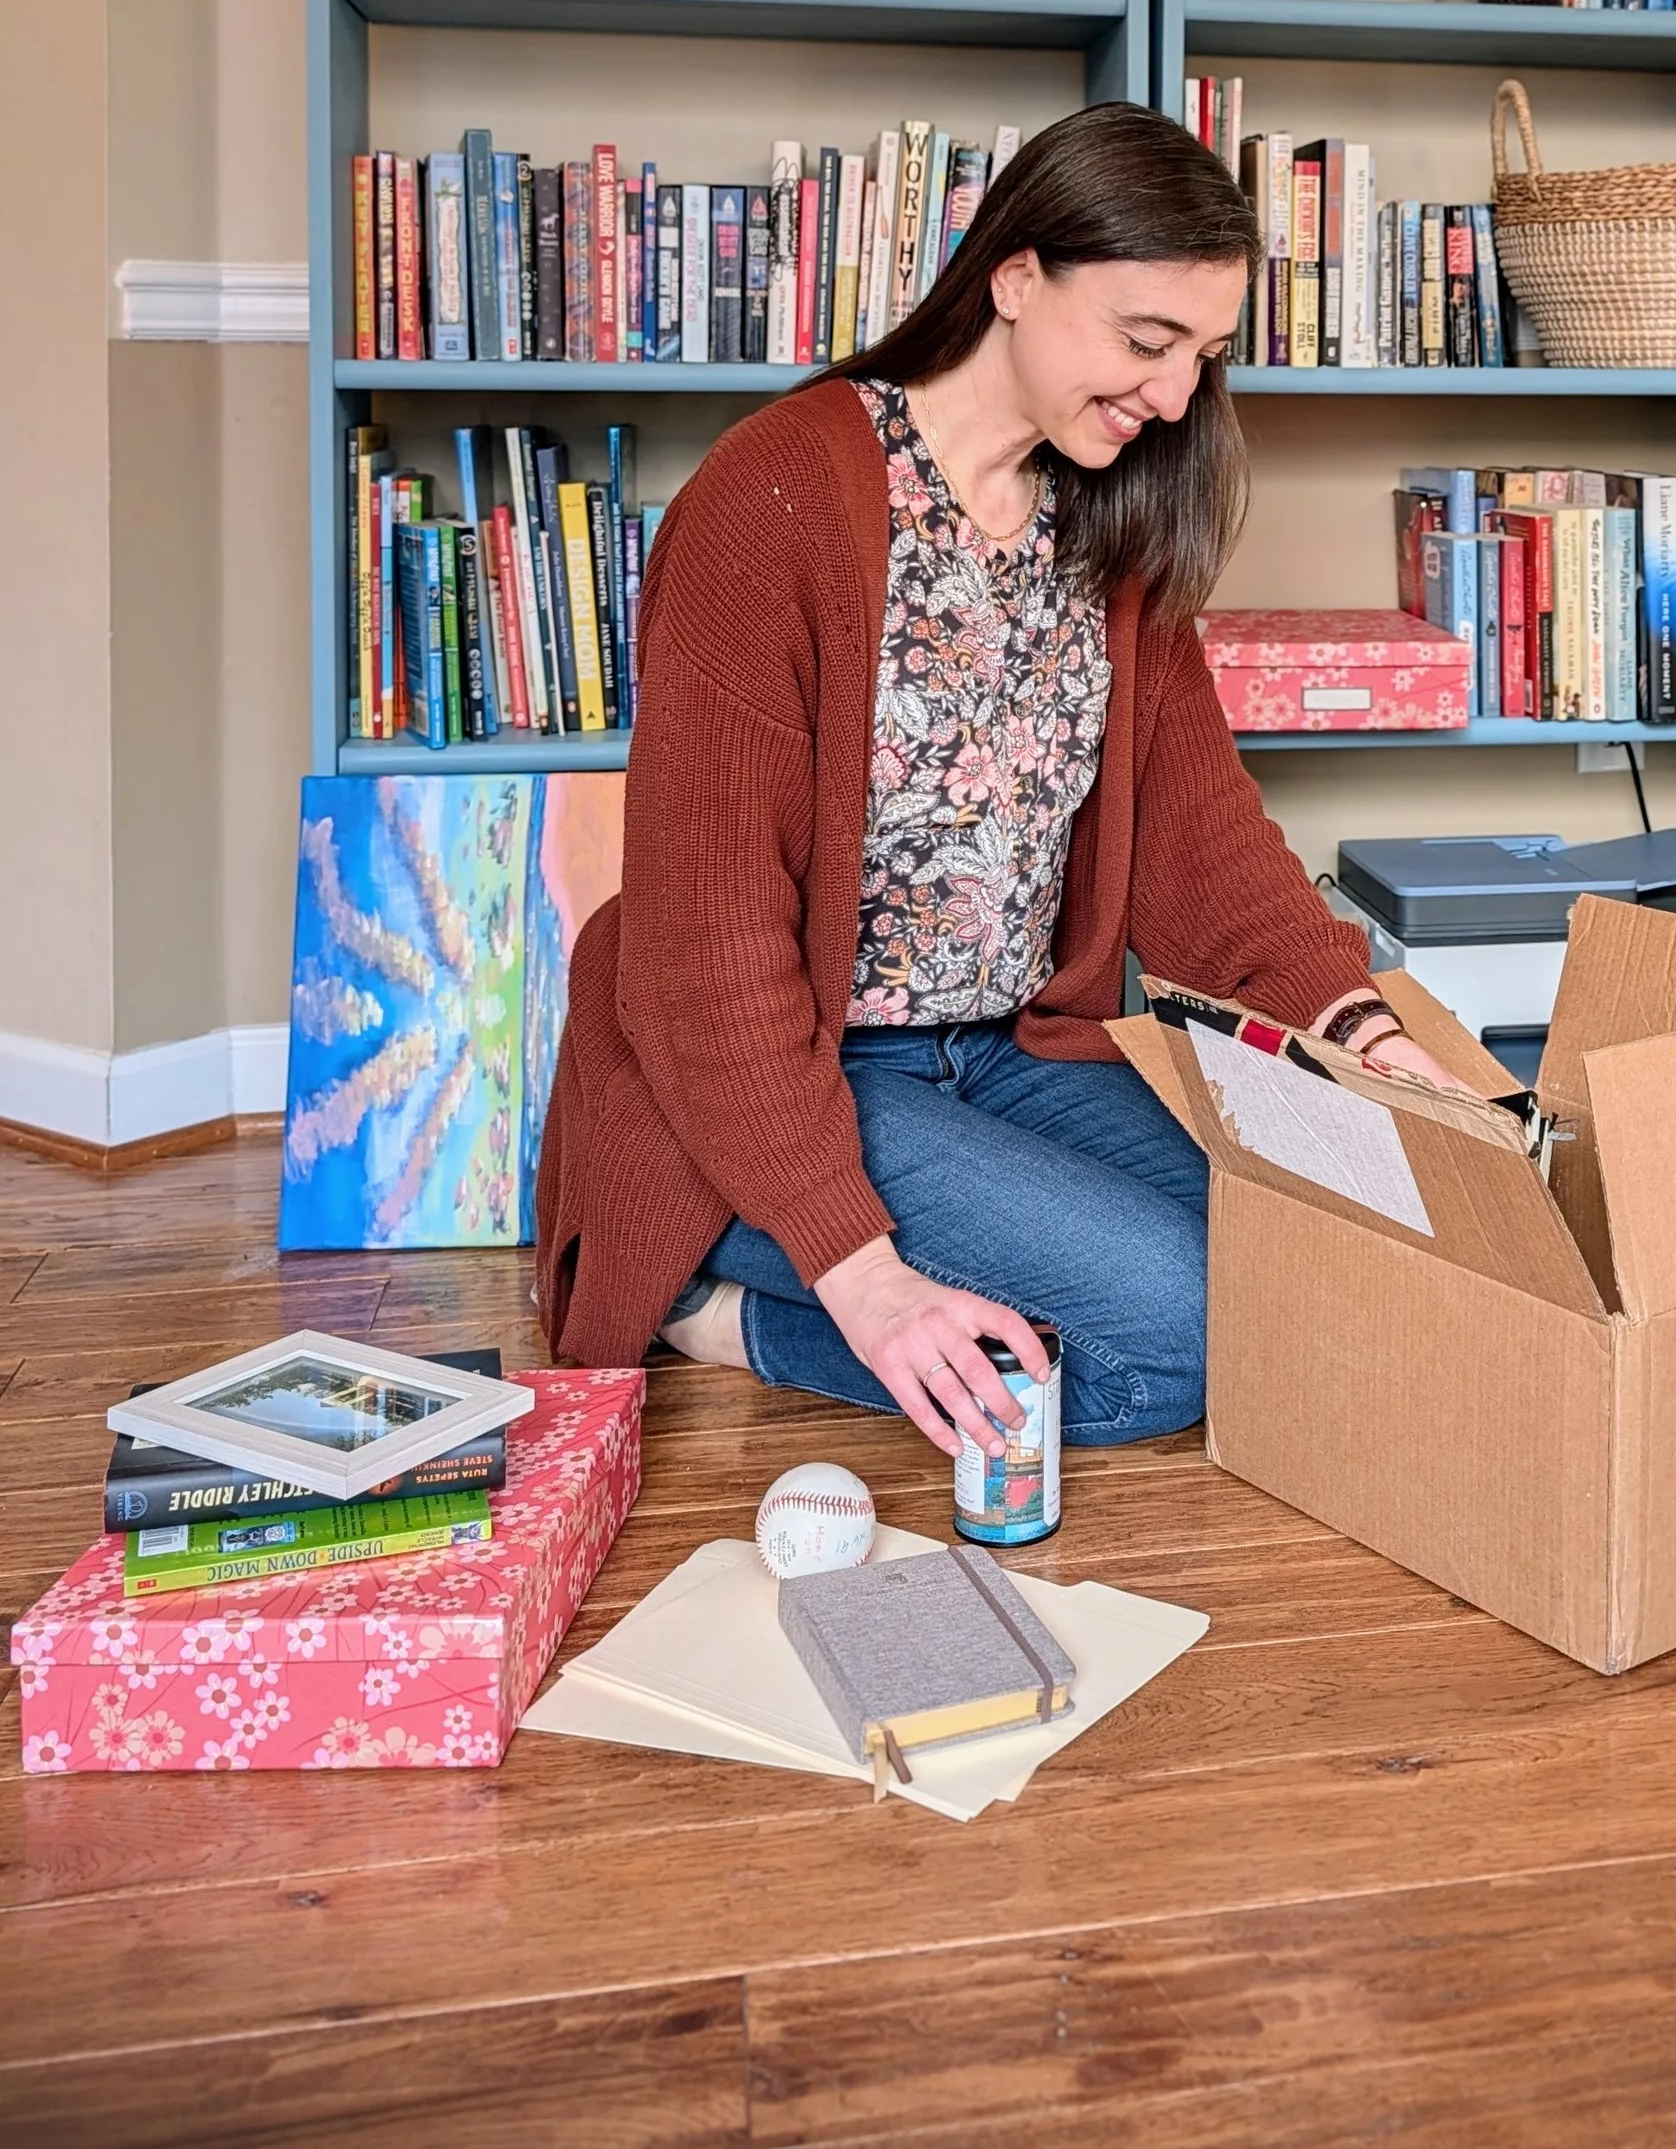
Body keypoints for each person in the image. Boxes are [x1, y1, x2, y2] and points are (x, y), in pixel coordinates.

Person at [535, 101, 1470, 1462]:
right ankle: (722, 1307)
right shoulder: (772, 505)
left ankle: (878, 1273)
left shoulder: (1109, 522)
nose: (1171, 397)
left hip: (1008, 1054)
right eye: (1147, 343)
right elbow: (710, 943)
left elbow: (1204, 843)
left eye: (1200, 360)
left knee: (1309, 1252)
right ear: (1015, 275)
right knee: (1181, 1332)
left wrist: (1361, 1028)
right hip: (787, 1075)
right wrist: (864, 1283)